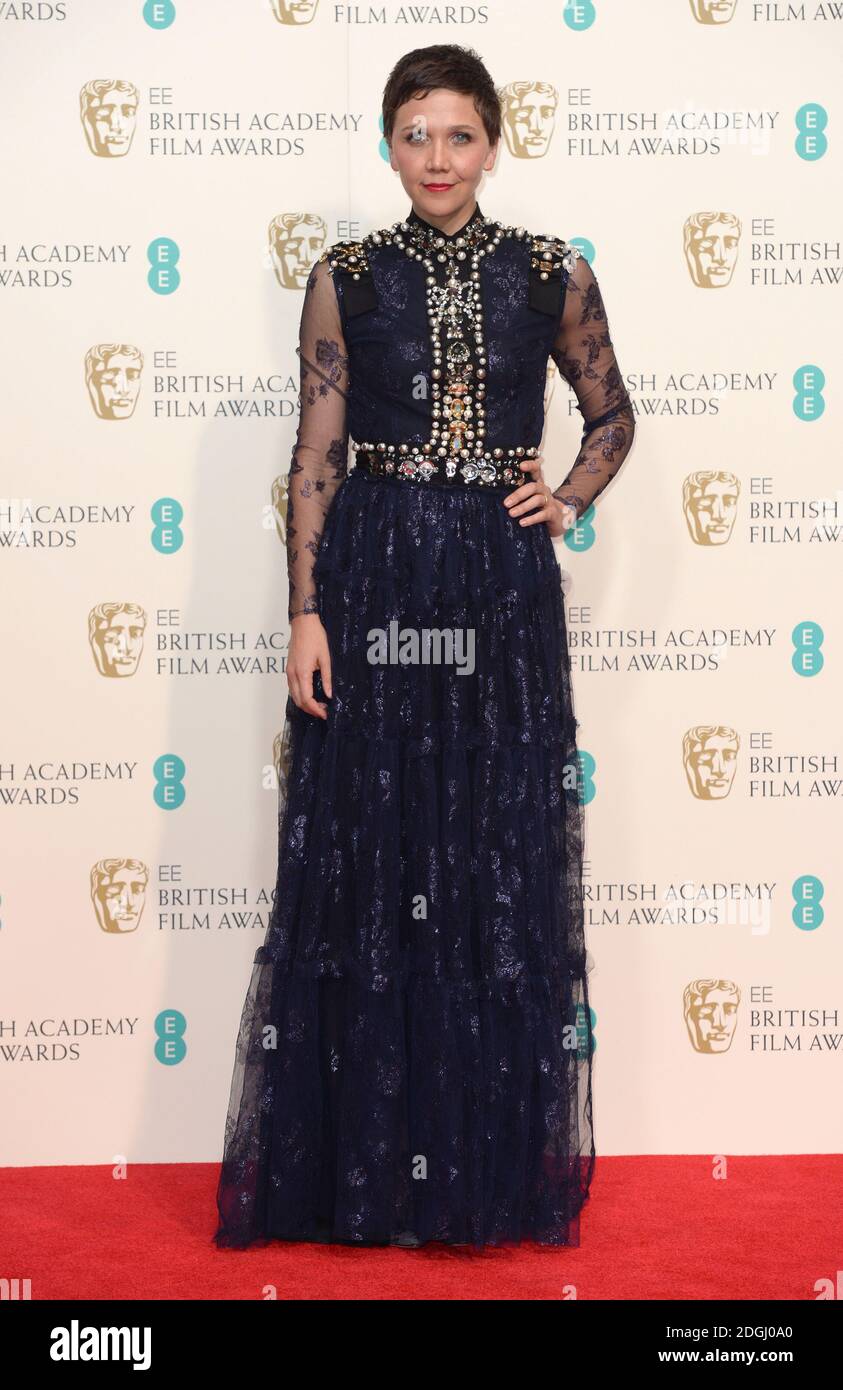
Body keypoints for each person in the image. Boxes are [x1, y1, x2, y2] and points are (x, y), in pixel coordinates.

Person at [215, 42, 635, 1251]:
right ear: (387, 145)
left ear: (494, 143)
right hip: (377, 571)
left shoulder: (551, 274)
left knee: (487, 848)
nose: (437, 159)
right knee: (375, 847)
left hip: (498, 585)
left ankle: (479, 1176)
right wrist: (305, 609)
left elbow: (614, 413)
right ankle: (361, 1175)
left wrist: (565, 495)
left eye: (459, 135)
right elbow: (316, 456)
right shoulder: (347, 276)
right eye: (415, 135)